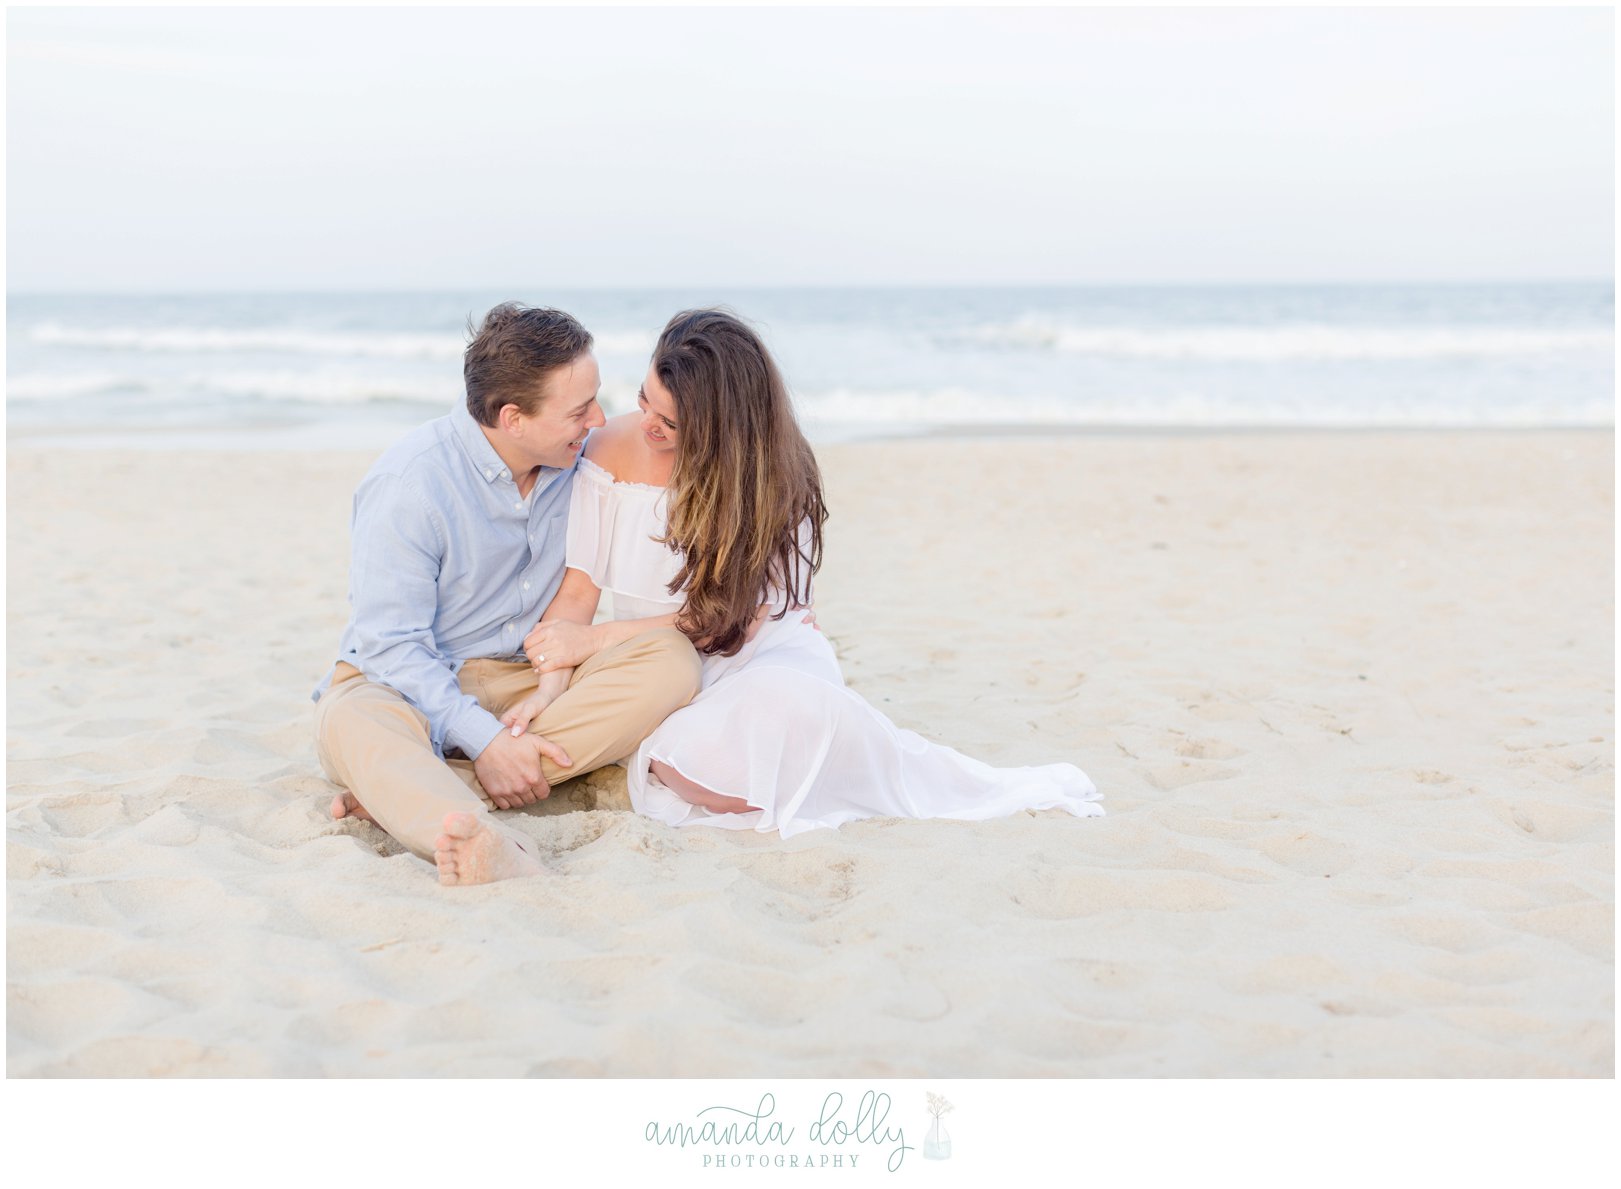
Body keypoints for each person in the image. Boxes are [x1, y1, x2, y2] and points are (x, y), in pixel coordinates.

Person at [502, 307, 1102, 840]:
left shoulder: (771, 478)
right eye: (645, 399)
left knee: (770, 726)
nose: (648, 425)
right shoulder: (604, 451)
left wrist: (597, 640)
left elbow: (726, 623)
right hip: (655, 662)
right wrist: (556, 673)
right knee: (678, 762)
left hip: (751, 652)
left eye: (673, 422)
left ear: (720, 428)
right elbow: (578, 592)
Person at [312, 303, 702, 886]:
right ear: (513, 418)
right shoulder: (410, 486)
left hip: (532, 681)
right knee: (352, 722)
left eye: (596, 398)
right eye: (578, 410)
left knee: (670, 662)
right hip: (410, 685)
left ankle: (437, 788)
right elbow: (391, 647)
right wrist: (483, 737)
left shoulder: (578, 462)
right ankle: (476, 835)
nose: (598, 419)